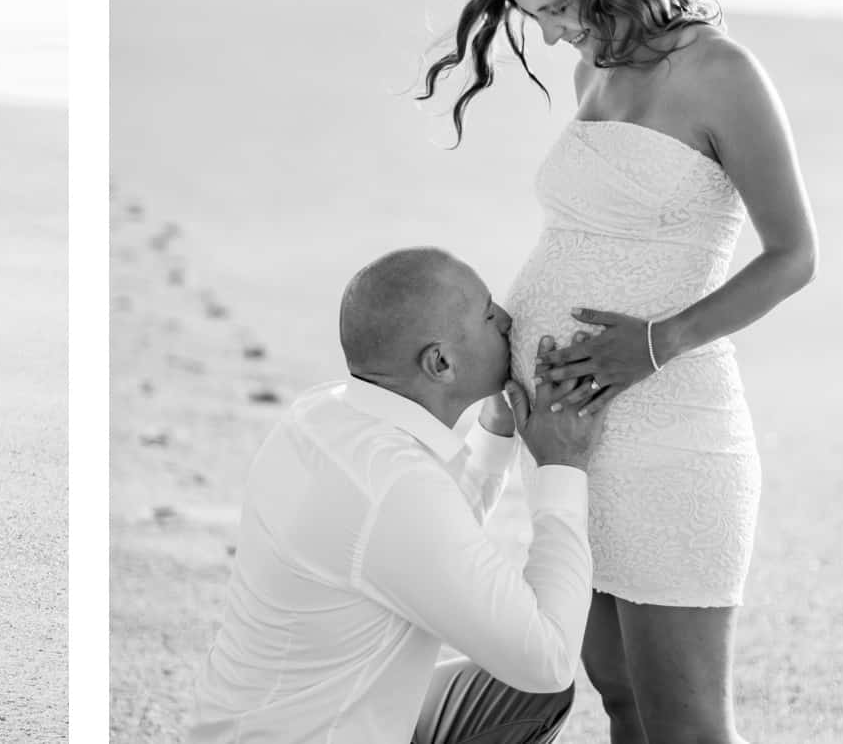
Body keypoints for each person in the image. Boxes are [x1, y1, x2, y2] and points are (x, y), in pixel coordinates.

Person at [420, 0, 818, 743]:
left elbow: (794, 257)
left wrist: (655, 343)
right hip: (574, 440)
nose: (557, 30)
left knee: (685, 719)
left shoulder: (720, 73)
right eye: (537, 15)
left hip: (674, 432)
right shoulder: (591, 69)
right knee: (617, 690)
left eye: (563, 4)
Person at [190, 246, 608, 744]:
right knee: (534, 667)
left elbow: (428, 546)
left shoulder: (325, 414)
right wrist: (563, 465)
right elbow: (550, 658)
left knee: (518, 688)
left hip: (268, 724)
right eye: (488, 312)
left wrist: (497, 427)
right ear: (440, 362)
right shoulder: (395, 484)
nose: (507, 320)